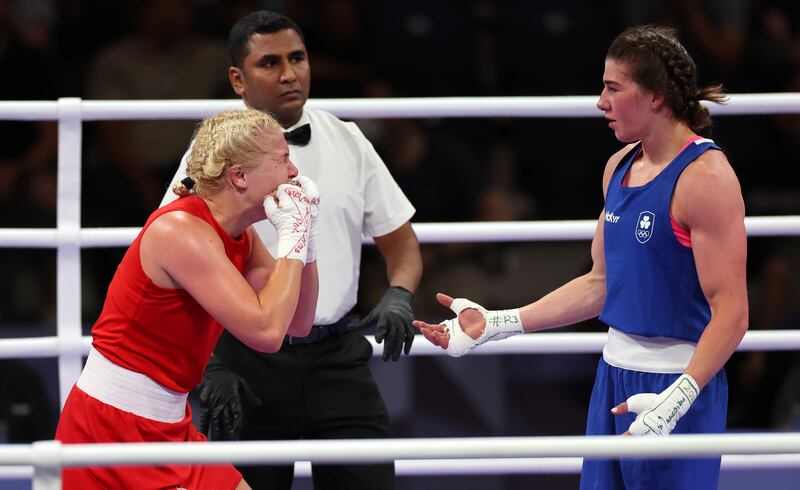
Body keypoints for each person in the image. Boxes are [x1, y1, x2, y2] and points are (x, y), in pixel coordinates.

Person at [415, 25, 748, 490]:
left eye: (613, 88)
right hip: (612, 377)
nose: (600, 102)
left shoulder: (706, 178)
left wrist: (679, 398)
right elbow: (600, 283)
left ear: (655, 96)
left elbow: (732, 310)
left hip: (679, 382)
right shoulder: (619, 167)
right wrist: (497, 323)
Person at [160, 10, 422, 490]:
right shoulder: (210, 152)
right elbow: (178, 258)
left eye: (297, 58)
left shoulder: (347, 138)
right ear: (238, 79)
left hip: (337, 354)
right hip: (245, 357)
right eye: (270, 63)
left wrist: (399, 292)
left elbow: (400, 240)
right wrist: (210, 361)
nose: (289, 74)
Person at [55, 108, 320, 490]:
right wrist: (291, 240)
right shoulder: (181, 232)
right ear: (240, 176)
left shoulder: (240, 235)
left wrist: (306, 243)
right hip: (111, 428)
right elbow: (266, 332)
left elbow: (297, 322)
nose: (294, 172)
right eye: (282, 159)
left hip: (168, 425)